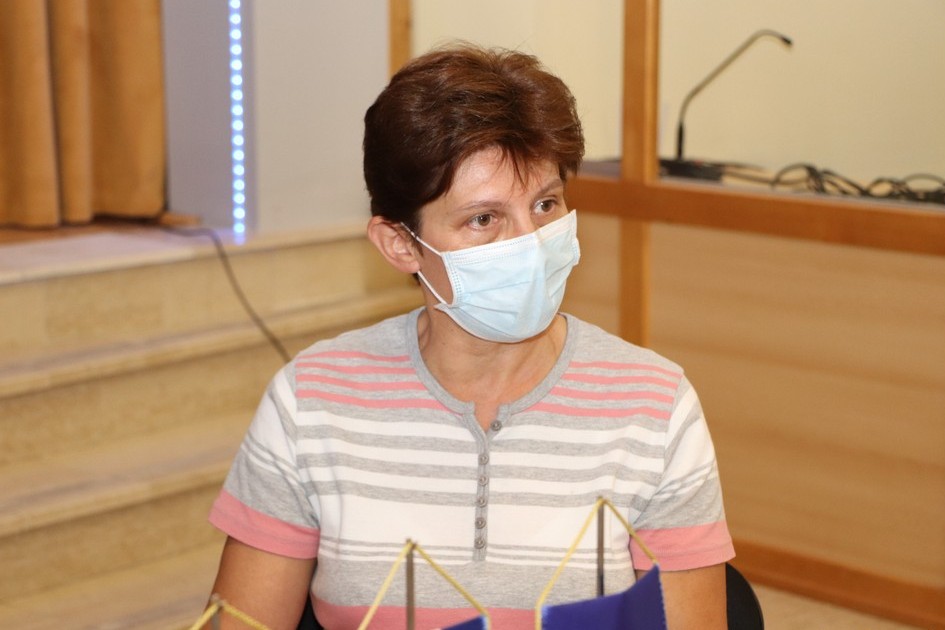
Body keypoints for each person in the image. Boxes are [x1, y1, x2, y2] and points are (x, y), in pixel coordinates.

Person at [205, 43, 735, 629]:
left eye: (546, 204)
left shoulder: (655, 404)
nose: (530, 243)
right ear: (401, 245)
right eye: (484, 219)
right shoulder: (309, 401)